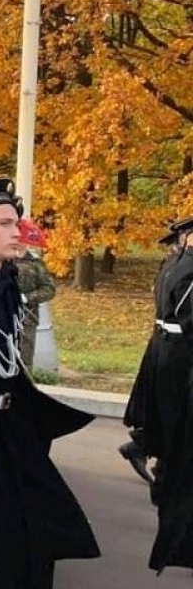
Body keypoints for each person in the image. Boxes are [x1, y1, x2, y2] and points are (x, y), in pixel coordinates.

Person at [0, 177, 99, 589]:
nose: (17, 231)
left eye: (16, 222)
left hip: (7, 419)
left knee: (32, 523)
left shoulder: (3, 280)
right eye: (5, 223)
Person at [123, 217, 193, 572]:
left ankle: (149, 451)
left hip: (164, 350)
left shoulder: (174, 264)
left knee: (169, 430)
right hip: (181, 357)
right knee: (177, 434)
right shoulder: (186, 268)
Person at [120, 225, 183, 485]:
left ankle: (145, 448)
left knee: (164, 403)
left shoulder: (171, 266)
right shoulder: (179, 269)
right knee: (174, 407)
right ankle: (158, 461)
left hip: (163, 343)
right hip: (175, 347)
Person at [12, 218, 56, 370]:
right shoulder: (4, 260)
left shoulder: (35, 263)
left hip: (27, 318)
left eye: (20, 238)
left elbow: (49, 289)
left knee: (24, 361)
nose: (16, 241)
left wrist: (27, 297)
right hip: (6, 315)